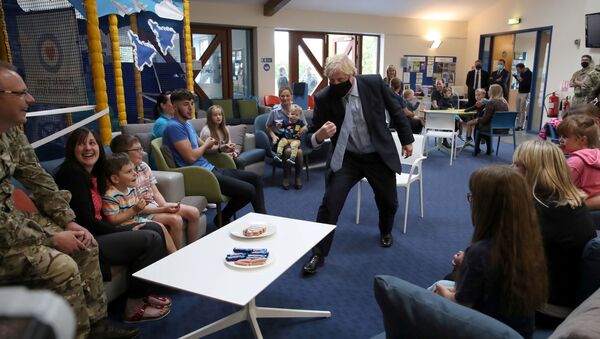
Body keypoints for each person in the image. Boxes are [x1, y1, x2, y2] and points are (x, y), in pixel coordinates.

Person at [0, 61, 138, 339]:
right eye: (22, 93)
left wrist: (69, 222)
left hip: (12, 223)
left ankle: (96, 327)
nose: (31, 99)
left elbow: (38, 179)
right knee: (62, 266)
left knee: (85, 243)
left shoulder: (11, 131)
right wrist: (50, 239)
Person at [301, 54, 414, 275]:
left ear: (351, 76)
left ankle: (385, 231)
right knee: (330, 204)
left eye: (339, 79)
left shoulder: (372, 83)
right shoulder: (324, 98)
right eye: (330, 80)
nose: (334, 84)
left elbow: (396, 110)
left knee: (389, 201)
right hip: (347, 157)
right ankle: (318, 253)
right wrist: (320, 135)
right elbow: (310, 137)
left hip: (376, 155)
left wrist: (407, 139)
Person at [55, 128, 172, 324]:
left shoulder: (94, 172)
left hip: (99, 230)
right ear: (71, 149)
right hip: (87, 237)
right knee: (149, 237)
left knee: (155, 228)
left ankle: (144, 294)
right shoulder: (71, 174)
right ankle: (133, 307)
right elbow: (85, 220)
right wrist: (122, 229)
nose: (88, 148)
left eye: (92, 143)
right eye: (81, 144)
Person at [434, 166, 548, 338]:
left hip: (487, 330)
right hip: (519, 331)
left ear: (486, 206)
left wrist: (442, 291)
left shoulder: (479, 252)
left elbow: (461, 306)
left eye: (472, 197)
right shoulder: (528, 240)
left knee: (432, 290)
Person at [512, 140, 595, 325]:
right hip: (565, 300)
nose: (511, 169)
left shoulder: (540, 211)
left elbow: (508, 263)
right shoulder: (570, 202)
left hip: (546, 308)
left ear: (533, 172)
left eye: (517, 165)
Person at [162, 88, 266, 226]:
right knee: (249, 190)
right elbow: (190, 157)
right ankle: (222, 217)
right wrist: (206, 146)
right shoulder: (174, 127)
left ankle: (264, 218)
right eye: (185, 104)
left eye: (192, 103)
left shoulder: (187, 124)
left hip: (210, 168)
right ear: (174, 106)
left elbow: (204, 146)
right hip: (200, 174)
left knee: (256, 179)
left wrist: (220, 148)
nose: (190, 108)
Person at [110, 134, 202, 249]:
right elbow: (139, 208)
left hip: (156, 206)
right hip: (144, 212)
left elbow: (155, 192)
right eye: (137, 150)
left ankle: (193, 248)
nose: (142, 153)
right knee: (176, 219)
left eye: (141, 149)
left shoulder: (144, 166)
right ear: (123, 154)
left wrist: (164, 205)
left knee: (193, 212)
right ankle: (178, 254)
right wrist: (163, 209)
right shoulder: (126, 178)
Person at [101, 153, 177, 254]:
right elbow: (113, 220)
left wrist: (143, 203)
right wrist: (134, 210)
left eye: (134, 169)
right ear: (115, 179)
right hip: (121, 228)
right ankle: (173, 255)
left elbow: (137, 208)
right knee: (159, 227)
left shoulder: (131, 188)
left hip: (135, 220)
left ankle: (173, 255)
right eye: (129, 171)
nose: (135, 173)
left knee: (160, 227)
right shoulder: (110, 196)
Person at [266, 86, 309, 189]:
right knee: (288, 151)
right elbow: (268, 126)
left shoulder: (297, 109)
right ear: (279, 97)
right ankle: (286, 177)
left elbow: (305, 125)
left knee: (299, 152)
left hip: (294, 138)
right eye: (282, 96)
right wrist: (273, 136)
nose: (285, 98)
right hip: (280, 139)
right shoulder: (274, 111)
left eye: (287, 96)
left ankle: (298, 177)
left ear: (291, 96)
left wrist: (303, 129)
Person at [556, 114, 600, 210]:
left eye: (565, 137)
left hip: (578, 208)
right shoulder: (597, 155)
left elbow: (559, 187)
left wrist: (554, 158)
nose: (560, 140)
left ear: (582, 140)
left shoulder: (576, 161)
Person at [472, 84, 508, 156]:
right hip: (504, 129)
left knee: (478, 127)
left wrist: (477, 120)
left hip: (494, 129)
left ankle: (477, 149)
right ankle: (489, 149)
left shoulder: (491, 102)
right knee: (485, 126)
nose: (488, 92)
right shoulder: (505, 103)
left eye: (489, 90)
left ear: (493, 92)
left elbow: (485, 119)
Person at [273, 104, 306, 169]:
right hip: (286, 138)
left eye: (296, 115)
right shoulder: (285, 121)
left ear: (299, 116)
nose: (294, 116)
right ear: (289, 114)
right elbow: (280, 125)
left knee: (294, 145)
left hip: (296, 139)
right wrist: (279, 125)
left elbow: (305, 126)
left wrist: (303, 128)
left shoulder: (300, 122)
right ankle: (278, 155)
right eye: (292, 114)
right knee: (281, 142)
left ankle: (292, 158)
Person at [514, 63, 532, 131]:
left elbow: (527, 84)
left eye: (518, 69)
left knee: (522, 109)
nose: (518, 71)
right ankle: (518, 124)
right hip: (520, 92)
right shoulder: (521, 73)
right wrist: (517, 78)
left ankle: (521, 126)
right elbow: (521, 82)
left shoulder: (529, 73)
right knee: (518, 109)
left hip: (526, 93)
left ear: (523, 68)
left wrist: (521, 80)